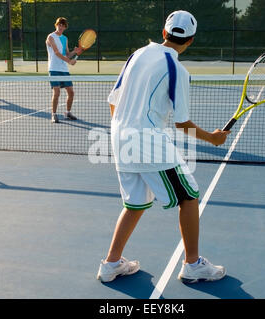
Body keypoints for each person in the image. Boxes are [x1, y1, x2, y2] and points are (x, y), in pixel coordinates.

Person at [97, 10, 231, 283]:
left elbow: (114, 99)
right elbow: (182, 123)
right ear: (191, 41)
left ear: (163, 33)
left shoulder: (138, 54)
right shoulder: (178, 70)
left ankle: (111, 264)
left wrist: (128, 132)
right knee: (189, 197)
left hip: (118, 136)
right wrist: (213, 139)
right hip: (148, 142)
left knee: (135, 203)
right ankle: (193, 264)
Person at [46, 17, 82, 123]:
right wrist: (69, 61)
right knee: (56, 93)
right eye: (59, 24)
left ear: (65, 27)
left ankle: (67, 112)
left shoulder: (65, 38)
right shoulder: (50, 37)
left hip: (64, 69)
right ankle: (54, 114)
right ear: (56, 25)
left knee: (71, 92)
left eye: (63, 25)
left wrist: (74, 52)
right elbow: (56, 52)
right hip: (54, 69)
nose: (61, 26)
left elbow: (66, 53)